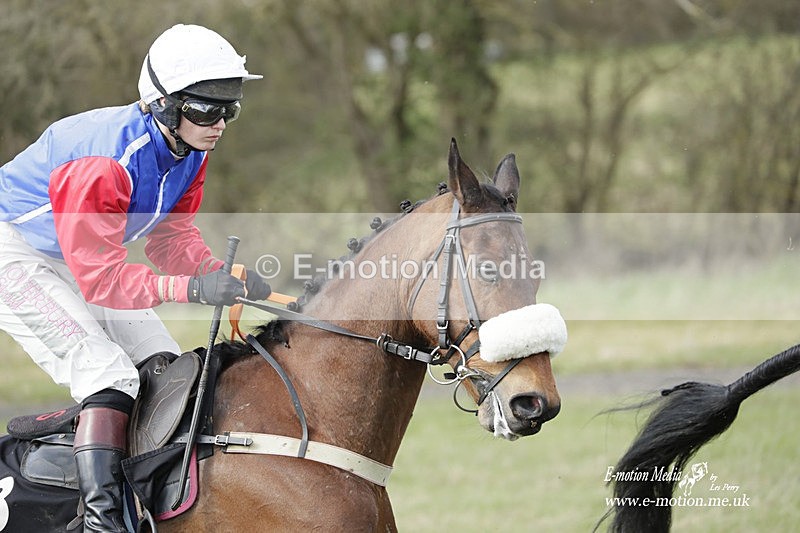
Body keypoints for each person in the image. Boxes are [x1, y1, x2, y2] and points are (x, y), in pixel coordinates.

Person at [0, 24, 270, 532]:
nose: (219, 125)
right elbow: (102, 281)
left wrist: (220, 273)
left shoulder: (193, 153)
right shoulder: (103, 164)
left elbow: (170, 240)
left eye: (229, 109)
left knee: (168, 372)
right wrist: (191, 289)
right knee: (111, 377)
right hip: (13, 254)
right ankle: (102, 523)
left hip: (83, 257)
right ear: (164, 105)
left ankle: (156, 500)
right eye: (206, 109)